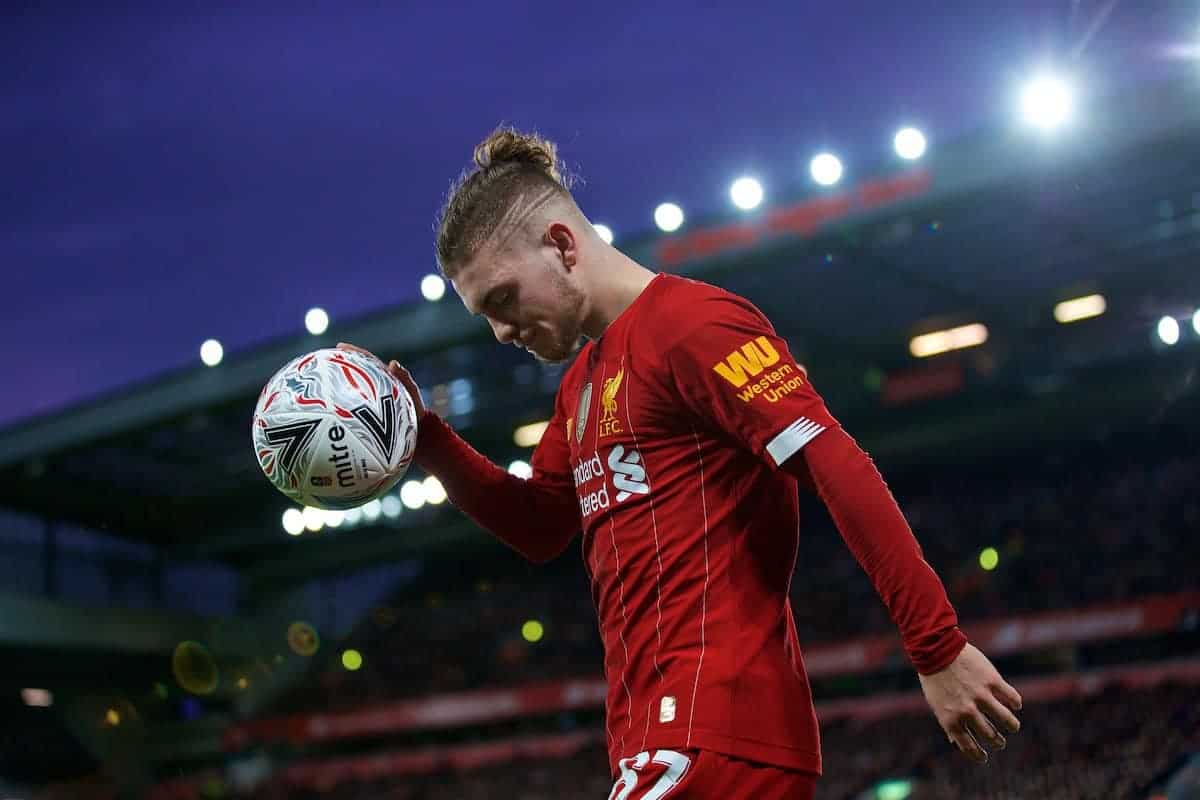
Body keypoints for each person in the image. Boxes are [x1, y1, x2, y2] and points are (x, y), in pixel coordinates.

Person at [342, 126, 1022, 799]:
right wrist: (428, 440)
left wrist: (935, 647)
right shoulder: (581, 384)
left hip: (713, 731)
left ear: (560, 246)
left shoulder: (695, 325)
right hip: (657, 741)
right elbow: (540, 525)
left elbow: (835, 463)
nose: (500, 331)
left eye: (502, 299)